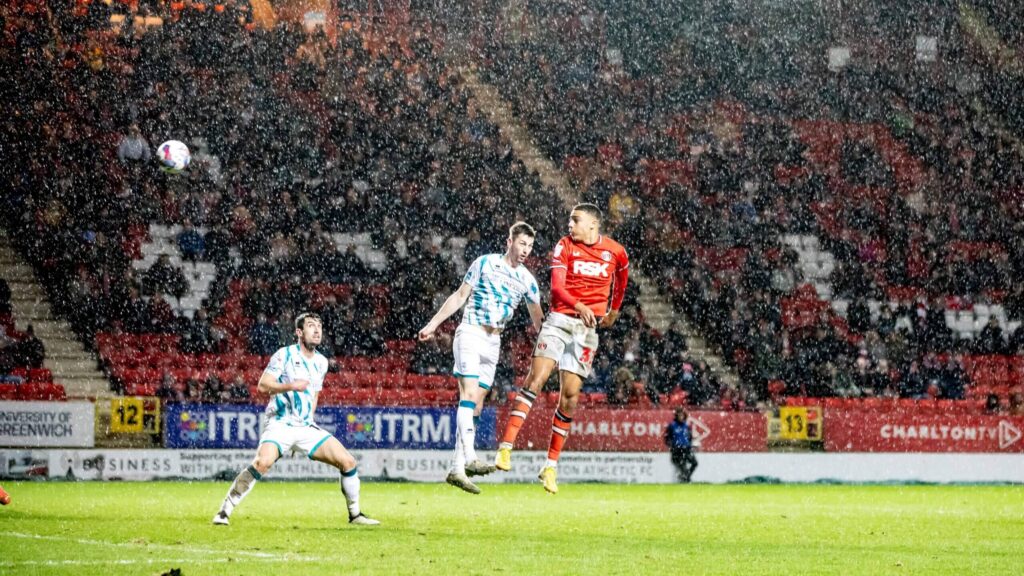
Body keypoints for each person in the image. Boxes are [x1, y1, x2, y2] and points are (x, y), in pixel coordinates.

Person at [495, 204, 629, 493]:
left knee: (570, 397)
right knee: (537, 378)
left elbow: (623, 278)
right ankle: (506, 447)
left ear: (593, 224)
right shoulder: (564, 246)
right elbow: (557, 290)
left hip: (586, 330)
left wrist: (615, 309)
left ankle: (550, 466)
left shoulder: (615, 252)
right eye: (569, 220)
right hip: (559, 320)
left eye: (576, 220)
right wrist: (580, 306)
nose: (570, 225)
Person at [213, 313, 379, 526]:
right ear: (299, 332)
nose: (317, 330)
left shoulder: (321, 362)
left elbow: (315, 394)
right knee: (261, 463)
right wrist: (290, 386)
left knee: (348, 462)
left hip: (305, 426)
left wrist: (308, 421)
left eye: (319, 326)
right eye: (311, 326)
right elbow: (263, 386)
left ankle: (355, 515)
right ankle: (224, 511)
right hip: (281, 423)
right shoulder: (284, 355)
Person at [418, 222, 544, 494]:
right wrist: (433, 324)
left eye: (530, 246)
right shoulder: (485, 263)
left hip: (494, 341)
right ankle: (471, 456)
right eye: (522, 244)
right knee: (469, 393)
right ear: (509, 241)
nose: (526, 251)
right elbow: (460, 295)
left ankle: (456, 468)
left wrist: (549, 343)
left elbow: (537, 318)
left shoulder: (527, 280)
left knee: (476, 404)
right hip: (471, 332)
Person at [664, 408, 698, 483]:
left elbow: (689, 437)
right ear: (676, 416)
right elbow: (666, 438)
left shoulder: (686, 426)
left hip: (686, 449)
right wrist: (672, 446)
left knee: (694, 463)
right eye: (679, 415)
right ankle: (685, 479)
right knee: (682, 467)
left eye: (682, 415)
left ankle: (686, 477)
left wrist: (690, 445)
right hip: (676, 450)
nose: (681, 417)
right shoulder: (672, 426)